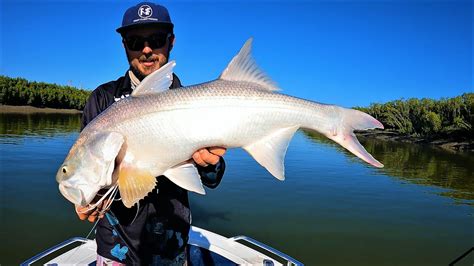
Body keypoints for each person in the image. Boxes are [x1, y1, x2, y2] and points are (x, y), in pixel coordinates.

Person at [76, 2, 226, 265]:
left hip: (171, 245)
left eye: (156, 40)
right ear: (124, 45)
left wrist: (209, 164)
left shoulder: (193, 101)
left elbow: (212, 178)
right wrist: (86, 198)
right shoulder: (102, 99)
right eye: (135, 41)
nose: (146, 50)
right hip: (116, 245)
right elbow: (85, 166)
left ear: (171, 42)